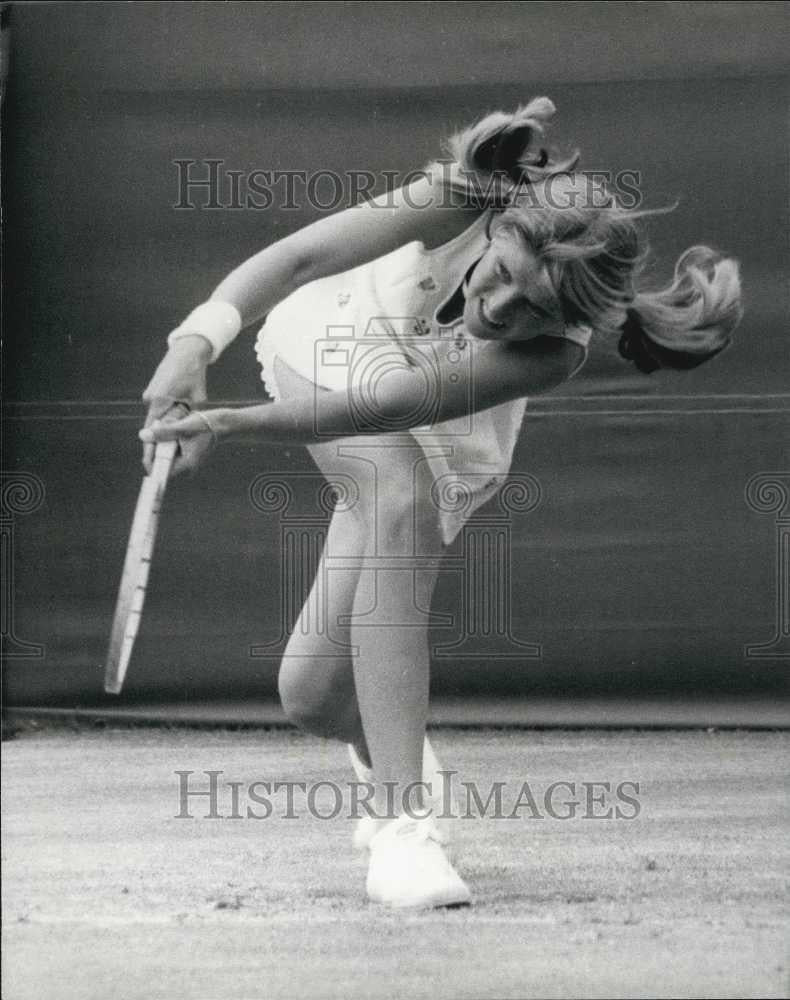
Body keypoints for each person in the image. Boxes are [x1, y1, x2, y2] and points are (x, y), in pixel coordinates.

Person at [140, 97, 742, 909]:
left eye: (535, 312)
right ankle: (404, 828)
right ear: (499, 229)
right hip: (324, 341)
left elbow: (381, 410)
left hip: (405, 414)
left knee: (312, 695)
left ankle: (391, 756)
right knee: (395, 495)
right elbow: (296, 260)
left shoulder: (552, 355)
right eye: (502, 280)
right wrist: (195, 342)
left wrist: (227, 424)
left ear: (566, 324)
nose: (499, 311)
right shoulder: (464, 197)